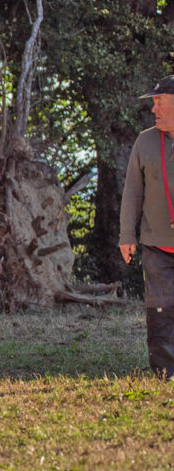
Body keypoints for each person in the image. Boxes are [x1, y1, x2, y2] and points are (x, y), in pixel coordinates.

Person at [120, 74, 174, 380]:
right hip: (156, 244)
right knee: (160, 308)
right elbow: (132, 192)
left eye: (160, 103)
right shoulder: (145, 140)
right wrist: (127, 236)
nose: (154, 110)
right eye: (154, 103)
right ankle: (166, 371)